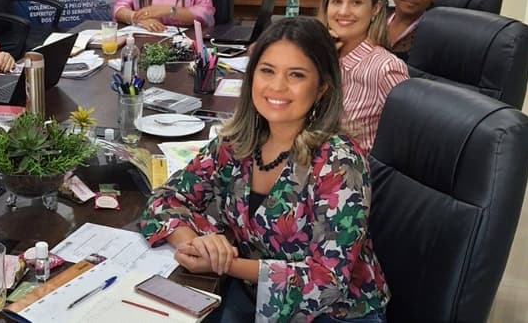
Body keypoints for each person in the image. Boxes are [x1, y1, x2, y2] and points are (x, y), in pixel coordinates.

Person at [140, 17, 390, 322]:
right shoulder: (236, 142)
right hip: (254, 298)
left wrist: (224, 264)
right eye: (267, 70)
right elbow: (165, 198)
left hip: (334, 313)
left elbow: (328, 279)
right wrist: (193, 244)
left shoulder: (340, 161)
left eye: (296, 75)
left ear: (322, 87)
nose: (277, 86)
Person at [318, 0, 408, 152]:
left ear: (375, 8)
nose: (343, 11)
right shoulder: (325, 56)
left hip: (350, 175)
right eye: (336, 1)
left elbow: (407, 142)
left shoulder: (386, 68)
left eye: (356, 2)